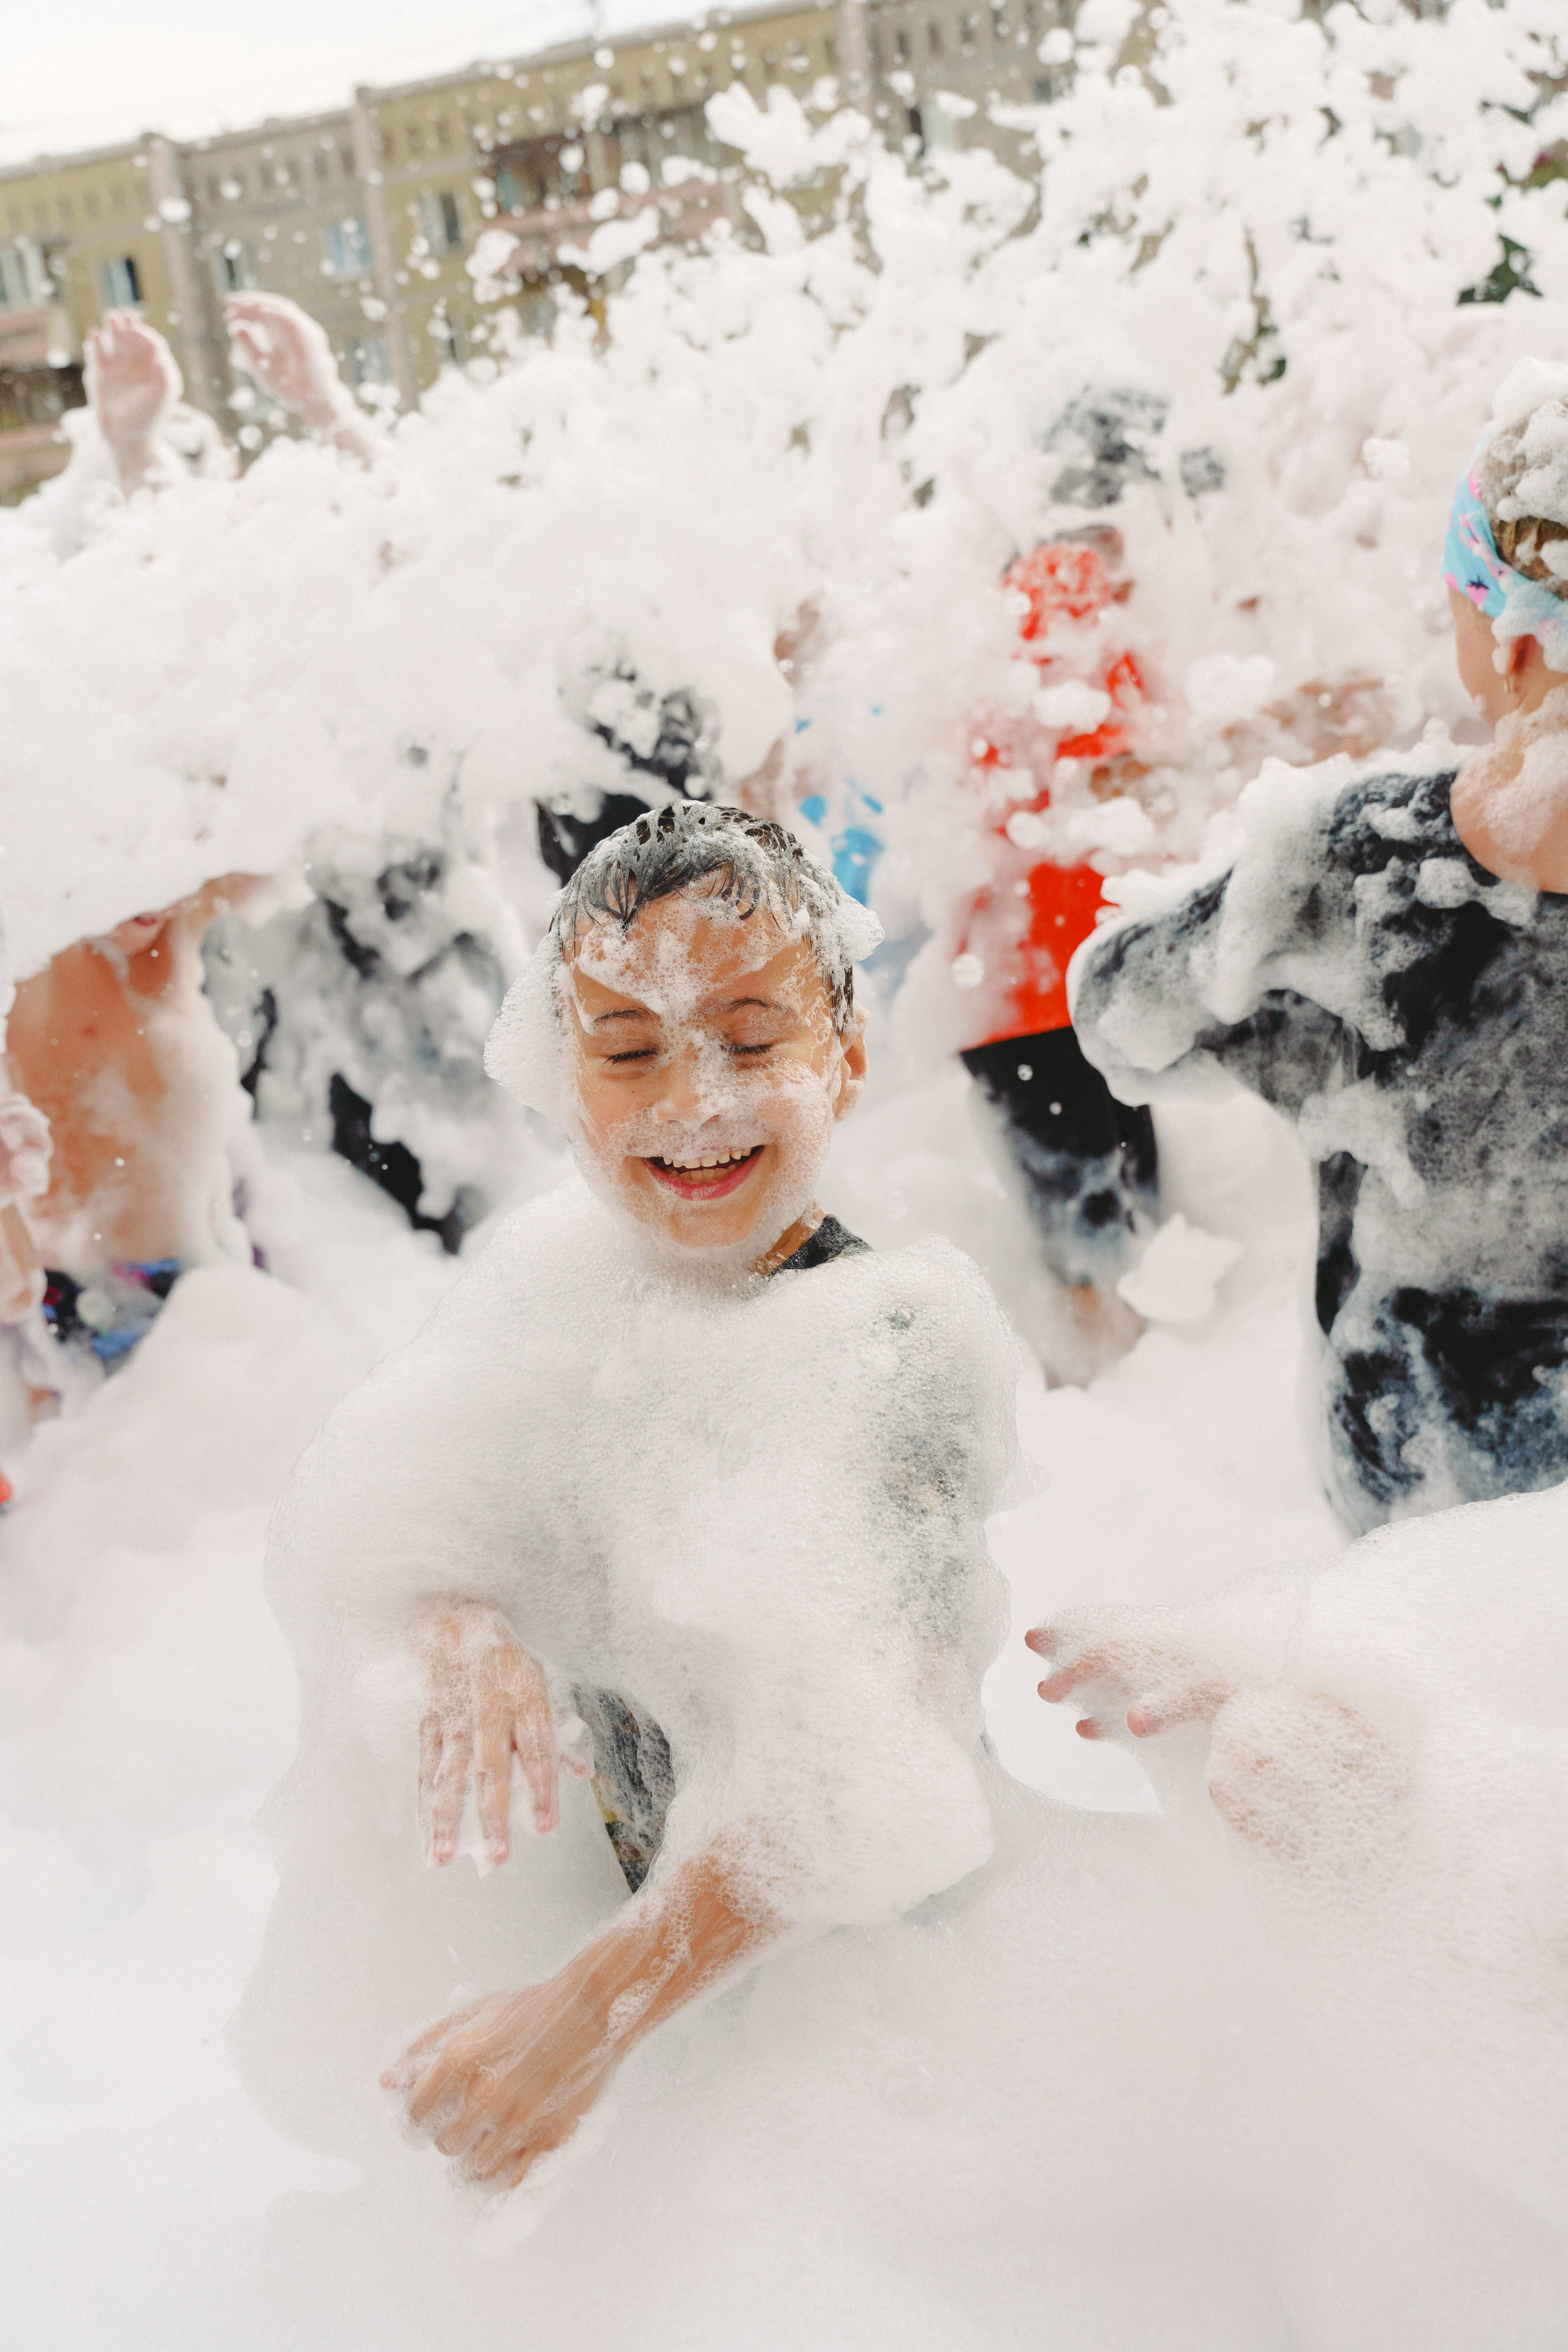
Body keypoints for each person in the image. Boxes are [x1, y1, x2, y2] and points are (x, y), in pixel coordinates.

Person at [231, 802, 1017, 2192]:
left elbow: (868, 1783)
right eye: (629, 1047)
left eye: (749, 1033)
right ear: (561, 1077)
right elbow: (426, 1496)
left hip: (875, 2014)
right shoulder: (571, 1287)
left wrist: (582, 2018)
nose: (690, 1096)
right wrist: (455, 1604)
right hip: (677, 1971)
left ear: (842, 1054)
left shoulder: (892, 1347)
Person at [1071, 357, 1568, 1533]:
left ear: (1506, 644)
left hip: (1427, 1492)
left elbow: (1118, 1015)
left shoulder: (1371, 868)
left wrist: (1303, 1025)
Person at [957, 533, 1159, 1371]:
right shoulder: (1066, 601)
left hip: (1018, 991)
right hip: (1043, 992)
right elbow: (1120, 762)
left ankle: (1112, 1405)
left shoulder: (988, 619)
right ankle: (1113, 1416)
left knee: (1112, 1232)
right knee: (1108, 1244)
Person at [6, 878, 261, 1376]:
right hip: (63, 1299)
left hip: (201, 1274)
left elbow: (291, 829)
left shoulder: (178, 915)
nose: (163, 894)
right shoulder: (23, 949)